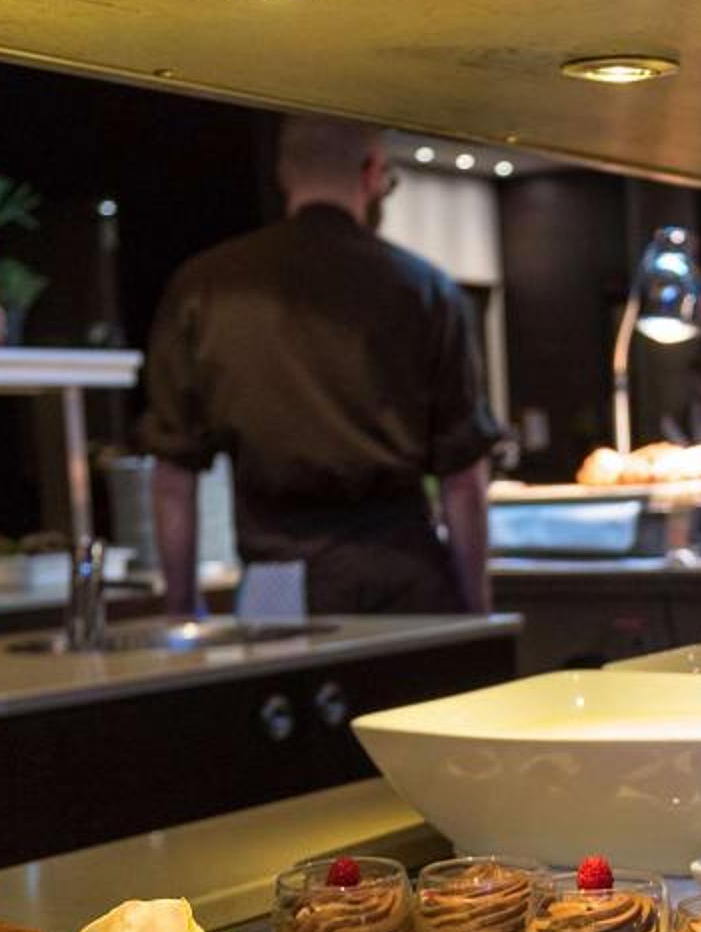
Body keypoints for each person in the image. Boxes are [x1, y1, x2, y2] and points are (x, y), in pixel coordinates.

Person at [138, 114, 500, 616]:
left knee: (286, 670)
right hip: (402, 581)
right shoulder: (426, 291)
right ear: (372, 172)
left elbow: (173, 478)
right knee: (412, 672)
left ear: (284, 172)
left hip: (274, 584)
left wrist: (182, 606)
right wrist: (478, 610)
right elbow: (463, 483)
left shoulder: (204, 288)